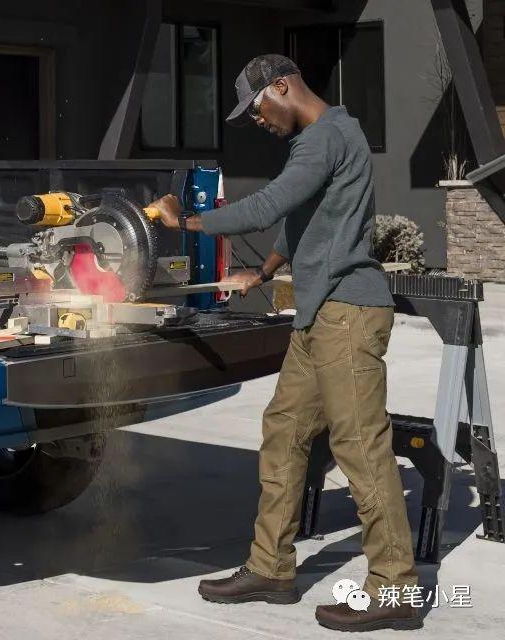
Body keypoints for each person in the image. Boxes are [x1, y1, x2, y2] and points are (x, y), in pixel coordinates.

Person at [148, 54, 422, 633]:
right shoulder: (329, 138)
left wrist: (187, 223)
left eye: (256, 108)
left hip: (348, 312)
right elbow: (298, 219)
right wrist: (266, 270)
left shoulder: (323, 137)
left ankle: (395, 587)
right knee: (284, 431)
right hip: (319, 313)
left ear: (281, 86)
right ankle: (271, 568)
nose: (257, 121)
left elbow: (268, 204)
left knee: (359, 447)